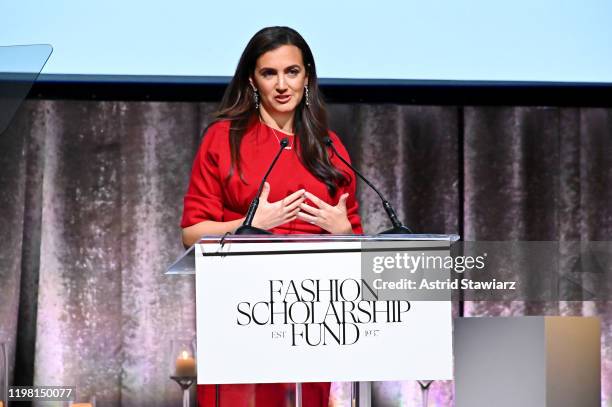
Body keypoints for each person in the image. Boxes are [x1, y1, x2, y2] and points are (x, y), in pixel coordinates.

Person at [180, 26, 363, 407]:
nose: (282, 84)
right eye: (269, 73)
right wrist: (249, 226)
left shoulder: (330, 147)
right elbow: (192, 233)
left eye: (292, 72)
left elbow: (356, 249)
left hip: (312, 318)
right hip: (240, 313)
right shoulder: (223, 137)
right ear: (252, 80)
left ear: (307, 77)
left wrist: (343, 230)